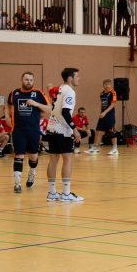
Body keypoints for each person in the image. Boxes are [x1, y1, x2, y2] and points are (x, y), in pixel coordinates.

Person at [45, 67, 83, 202]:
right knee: (67, 158)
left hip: (51, 127)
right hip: (62, 130)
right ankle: (66, 194)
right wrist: (75, 129)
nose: (79, 79)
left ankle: (52, 193)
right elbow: (66, 112)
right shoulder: (70, 91)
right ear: (70, 78)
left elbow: (51, 91)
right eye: (77, 76)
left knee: (53, 159)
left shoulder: (58, 89)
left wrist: (49, 87)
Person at [8, 72, 50, 193]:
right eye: (26, 79)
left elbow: (49, 109)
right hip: (18, 130)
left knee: (33, 156)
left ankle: (32, 173)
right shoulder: (14, 93)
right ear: (22, 80)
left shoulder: (38, 93)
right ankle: (17, 184)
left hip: (33, 130)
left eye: (31, 80)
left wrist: (35, 104)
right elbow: (8, 105)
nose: (29, 82)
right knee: (19, 156)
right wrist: (7, 117)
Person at [88, 79, 118, 155]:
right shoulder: (102, 93)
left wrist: (105, 112)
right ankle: (95, 148)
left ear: (111, 85)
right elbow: (102, 104)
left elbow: (113, 105)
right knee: (98, 131)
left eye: (108, 84)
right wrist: (101, 113)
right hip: (103, 115)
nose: (107, 86)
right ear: (103, 85)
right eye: (105, 84)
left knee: (111, 131)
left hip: (110, 115)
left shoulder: (113, 93)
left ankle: (115, 149)